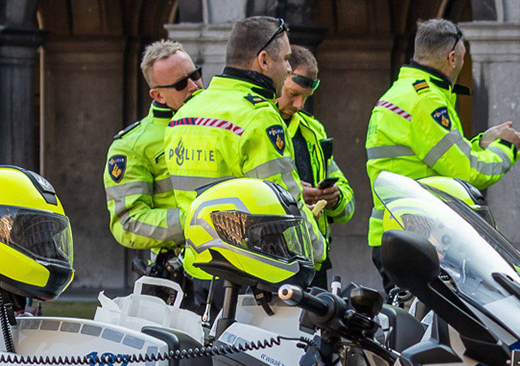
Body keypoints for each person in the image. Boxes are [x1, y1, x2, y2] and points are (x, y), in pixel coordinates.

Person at [365, 18, 520, 265]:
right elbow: (467, 173)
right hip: (420, 238)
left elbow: (438, 159)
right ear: (452, 58)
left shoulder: (403, 92)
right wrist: (506, 146)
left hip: (399, 235)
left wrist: (484, 142)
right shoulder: (426, 101)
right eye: (464, 57)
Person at [164, 16, 303, 208]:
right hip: (246, 238)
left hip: (197, 237)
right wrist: (316, 238)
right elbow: (285, 206)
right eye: (286, 59)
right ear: (264, 60)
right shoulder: (258, 116)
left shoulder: (183, 115)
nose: (289, 68)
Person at [104, 39, 204, 295]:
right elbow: (127, 222)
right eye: (181, 84)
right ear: (157, 94)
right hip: (180, 277)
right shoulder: (132, 145)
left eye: (196, 75)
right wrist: (199, 222)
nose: (194, 87)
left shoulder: (222, 122)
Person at [278, 45, 354, 287]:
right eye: (293, 94)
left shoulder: (313, 130)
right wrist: (292, 193)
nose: (299, 104)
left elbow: (347, 200)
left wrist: (334, 197)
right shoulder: (257, 124)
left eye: (305, 98)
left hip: (314, 260)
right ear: (280, 76)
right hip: (273, 261)